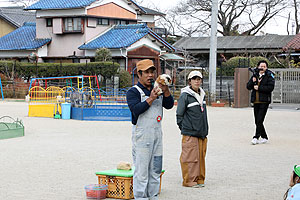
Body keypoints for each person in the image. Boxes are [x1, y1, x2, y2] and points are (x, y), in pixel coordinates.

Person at [126, 59, 174, 200]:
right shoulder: (133, 92)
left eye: (152, 72)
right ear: (139, 74)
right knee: (141, 171)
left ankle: (153, 196)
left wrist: (165, 91)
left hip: (157, 134)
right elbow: (135, 110)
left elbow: (169, 105)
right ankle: (141, 197)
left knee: (155, 169)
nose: (150, 75)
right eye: (146, 72)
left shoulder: (158, 89)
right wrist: (151, 98)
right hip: (142, 135)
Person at [176, 70, 208, 188]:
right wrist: (185, 128)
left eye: (199, 79)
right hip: (190, 132)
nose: (197, 81)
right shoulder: (185, 95)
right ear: (189, 81)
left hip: (202, 133)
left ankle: (200, 179)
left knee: (200, 158)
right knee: (189, 158)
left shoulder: (202, 95)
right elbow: (179, 114)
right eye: (194, 79)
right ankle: (189, 180)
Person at [246, 60, 275, 145]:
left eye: (264, 66)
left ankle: (256, 137)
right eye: (261, 66)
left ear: (266, 68)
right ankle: (264, 137)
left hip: (264, 101)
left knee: (259, 119)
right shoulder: (255, 75)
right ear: (258, 67)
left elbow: (270, 88)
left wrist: (259, 87)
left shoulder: (269, 75)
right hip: (256, 101)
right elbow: (248, 87)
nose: (262, 68)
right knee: (257, 120)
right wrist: (253, 81)